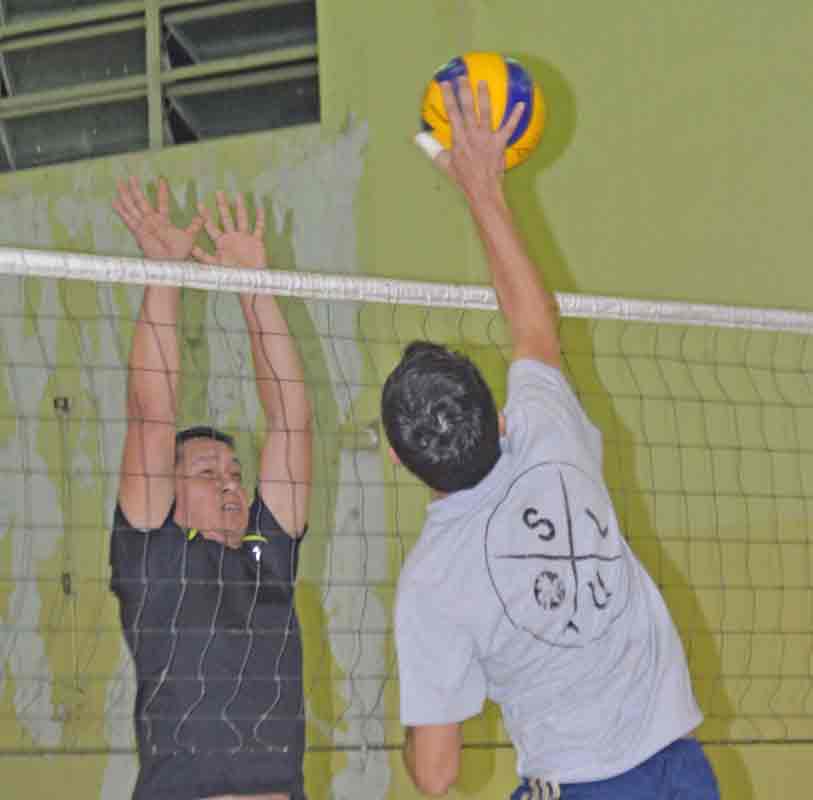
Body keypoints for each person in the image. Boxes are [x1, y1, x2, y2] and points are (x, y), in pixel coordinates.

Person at [382, 80, 720, 799]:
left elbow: (436, 776)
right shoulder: (547, 432)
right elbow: (534, 322)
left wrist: (416, 727)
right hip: (681, 768)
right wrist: (483, 189)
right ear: (500, 417)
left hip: (579, 784)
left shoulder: (431, 581)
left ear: (397, 458)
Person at [110, 177, 312, 800]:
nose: (229, 483)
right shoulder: (154, 556)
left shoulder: (266, 553)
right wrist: (164, 273)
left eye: (234, 473)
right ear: (167, 493)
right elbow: (152, 414)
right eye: (205, 472)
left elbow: (290, 420)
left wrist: (255, 288)